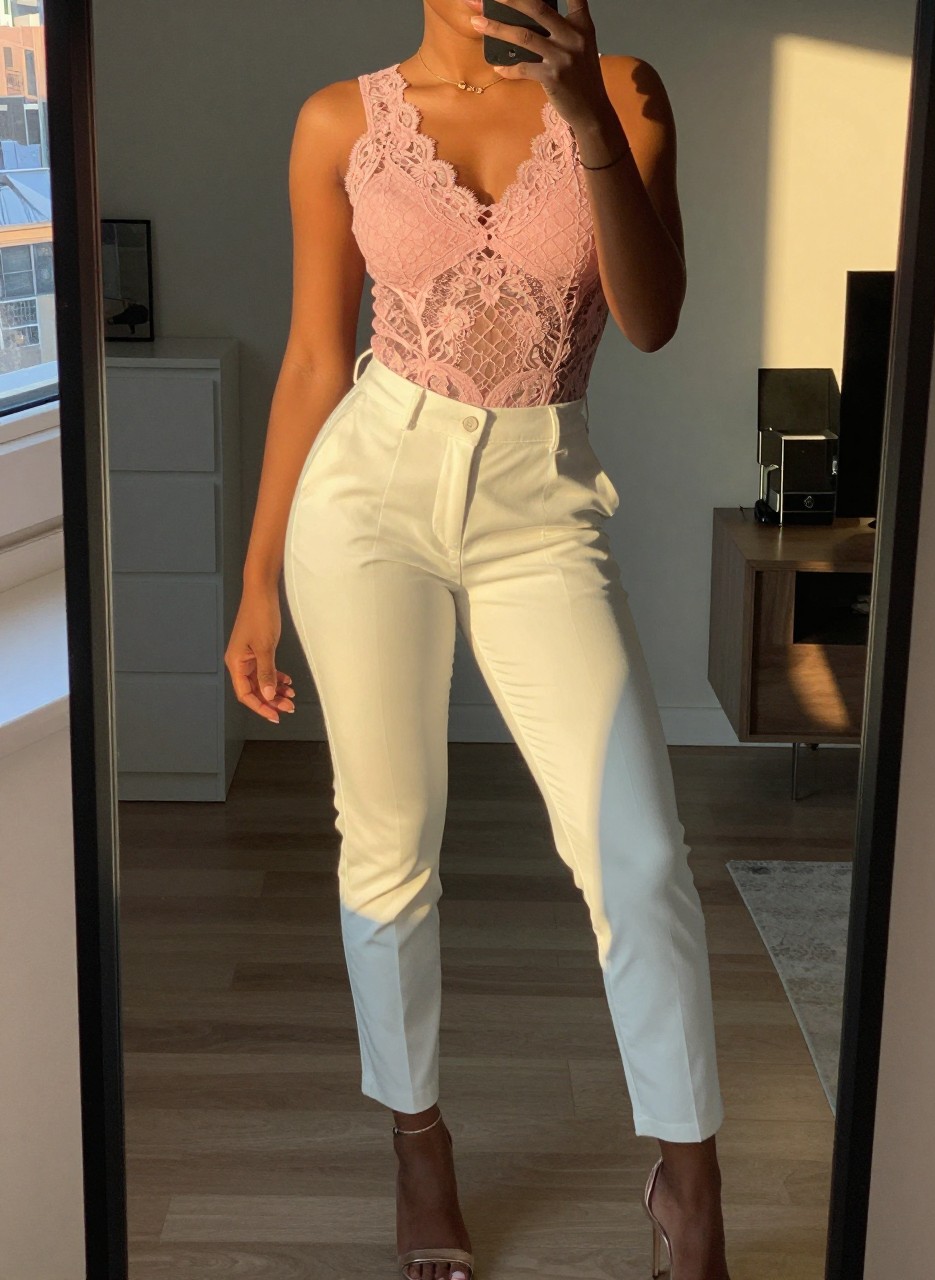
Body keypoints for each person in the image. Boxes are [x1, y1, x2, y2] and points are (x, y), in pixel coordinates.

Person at [225, 1, 732, 1277]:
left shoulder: (625, 90)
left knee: (641, 852)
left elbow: (655, 316)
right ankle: (418, 1140)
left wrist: (586, 119)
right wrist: (254, 583)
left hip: (541, 502)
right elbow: (308, 358)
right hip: (367, 495)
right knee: (387, 839)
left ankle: (692, 1182)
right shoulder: (340, 121)